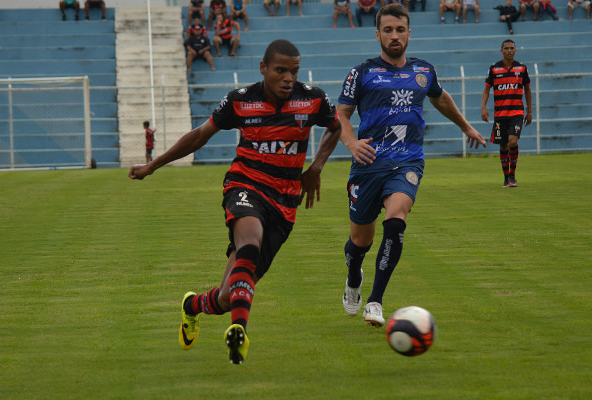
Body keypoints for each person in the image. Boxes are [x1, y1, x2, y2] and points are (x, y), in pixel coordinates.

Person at [129, 39, 342, 365]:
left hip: (285, 203)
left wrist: (315, 168)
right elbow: (199, 136)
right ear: (263, 69)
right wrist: (152, 166)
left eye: (294, 71)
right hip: (246, 185)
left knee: (230, 295)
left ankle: (192, 306)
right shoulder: (241, 101)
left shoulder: (312, 99)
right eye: (280, 70)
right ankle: (238, 331)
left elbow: (335, 128)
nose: (288, 78)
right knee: (250, 241)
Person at [337, 3, 486, 327]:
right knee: (360, 241)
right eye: (388, 30)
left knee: (397, 216)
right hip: (368, 162)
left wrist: (465, 126)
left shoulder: (423, 71)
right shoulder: (362, 73)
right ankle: (353, 277)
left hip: (407, 160)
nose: (394, 36)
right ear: (377, 34)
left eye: (400, 30)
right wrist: (350, 142)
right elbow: (342, 113)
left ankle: (375, 302)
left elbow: (440, 97)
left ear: (408, 34)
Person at [480, 39, 532, 188]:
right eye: (506, 48)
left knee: (512, 141)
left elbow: (527, 89)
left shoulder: (521, 69)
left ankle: (512, 175)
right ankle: (505, 178)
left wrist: (530, 110)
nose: (509, 50)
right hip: (500, 114)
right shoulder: (494, 69)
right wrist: (483, 107)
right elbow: (486, 89)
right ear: (501, 51)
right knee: (503, 146)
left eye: (512, 48)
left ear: (515, 51)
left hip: (516, 112)